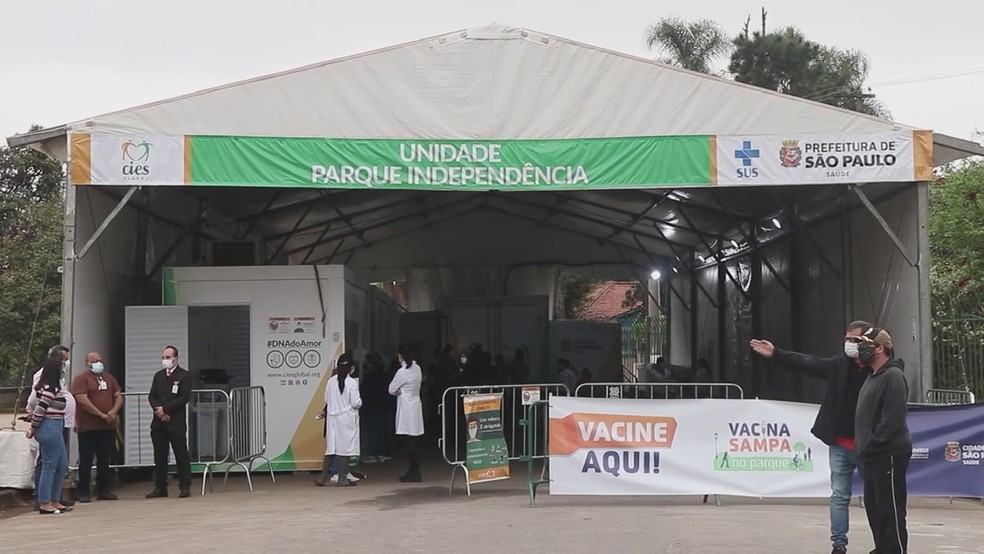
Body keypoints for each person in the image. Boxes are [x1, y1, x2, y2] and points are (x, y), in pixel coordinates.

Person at [750, 319, 873, 554]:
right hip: (840, 444)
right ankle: (839, 545)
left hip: (868, 446)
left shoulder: (879, 370)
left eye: (854, 340)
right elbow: (808, 362)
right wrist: (776, 354)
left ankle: (885, 544)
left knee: (876, 497)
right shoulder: (839, 366)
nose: (849, 344)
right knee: (839, 496)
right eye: (846, 339)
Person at [855, 327, 911, 554]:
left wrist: (875, 441)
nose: (861, 348)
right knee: (875, 508)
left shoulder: (893, 377)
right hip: (871, 455)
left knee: (890, 509)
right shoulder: (873, 377)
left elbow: (892, 418)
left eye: (866, 343)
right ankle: (882, 548)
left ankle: (894, 550)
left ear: (880, 348)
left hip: (886, 453)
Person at [24, 345, 76, 511]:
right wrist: (33, 427)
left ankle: (54, 499)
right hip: (49, 425)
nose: (65, 366)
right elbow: (40, 408)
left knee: (61, 465)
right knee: (49, 465)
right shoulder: (48, 387)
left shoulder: (56, 386)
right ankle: (44, 501)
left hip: (57, 424)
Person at [70, 351, 123, 502]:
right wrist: (100, 414)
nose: (98, 363)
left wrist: (113, 412)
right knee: (86, 459)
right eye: (94, 361)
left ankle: (104, 490)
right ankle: (84, 491)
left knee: (104, 458)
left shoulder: (109, 378)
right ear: (87, 364)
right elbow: (82, 399)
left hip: (107, 426)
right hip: (88, 426)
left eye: (100, 360)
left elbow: (118, 395)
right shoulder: (81, 379)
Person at [146, 345, 192, 499]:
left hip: (175, 421)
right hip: (159, 422)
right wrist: (158, 411)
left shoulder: (184, 376)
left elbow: (184, 397)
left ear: (176, 358)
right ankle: (160, 487)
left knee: (181, 454)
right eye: (163, 358)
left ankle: (185, 486)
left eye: (168, 357)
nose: (166, 360)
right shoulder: (158, 376)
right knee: (159, 455)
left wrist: (165, 409)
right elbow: (152, 395)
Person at [316, 354, 362, 487]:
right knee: (345, 449)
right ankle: (342, 478)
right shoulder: (352, 383)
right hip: (346, 418)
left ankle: (322, 477)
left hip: (332, 418)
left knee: (331, 448)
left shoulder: (331, 381)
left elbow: (326, 399)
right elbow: (356, 402)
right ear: (351, 368)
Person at [389, 344, 424, 483]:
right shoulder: (417, 369)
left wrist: (399, 391)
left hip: (406, 407)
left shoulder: (402, 372)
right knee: (413, 439)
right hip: (415, 404)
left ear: (400, 356)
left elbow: (391, 389)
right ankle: (414, 470)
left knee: (409, 441)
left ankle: (414, 472)